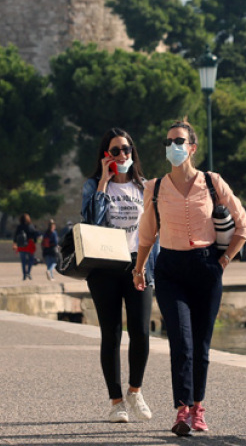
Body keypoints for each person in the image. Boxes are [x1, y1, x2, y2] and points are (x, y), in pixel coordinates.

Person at [134, 119, 246, 436]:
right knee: (181, 342)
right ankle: (182, 410)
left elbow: (244, 226)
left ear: (192, 147)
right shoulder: (154, 188)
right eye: (169, 141)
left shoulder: (213, 183)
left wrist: (224, 260)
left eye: (180, 141)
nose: (174, 146)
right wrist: (139, 268)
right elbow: (146, 235)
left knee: (201, 344)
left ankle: (198, 407)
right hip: (170, 270)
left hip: (206, 267)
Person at [80, 127, 154, 425]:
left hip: (138, 265)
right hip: (105, 265)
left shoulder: (145, 187)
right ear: (105, 156)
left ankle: (135, 390)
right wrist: (103, 183)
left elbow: (154, 230)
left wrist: (151, 266)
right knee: (110, 335)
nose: (122, 155)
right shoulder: (93, 186)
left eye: (126, 149)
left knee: (141, 332)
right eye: (115, 151)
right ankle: (116, 402)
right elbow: (91, 222)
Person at [13, 214, 39, 280]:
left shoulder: (19, 227)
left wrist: (15, 243)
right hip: (30, 244)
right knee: (31, 259)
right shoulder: (31, 226)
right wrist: (35, 241)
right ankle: (29, 272)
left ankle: (24, 274)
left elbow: (16, 235)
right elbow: (35, 234)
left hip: (21, 245)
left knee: (23, 261)